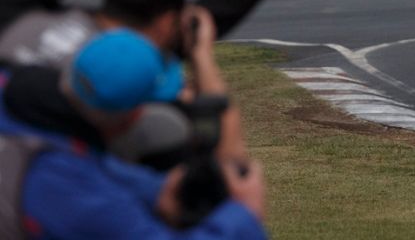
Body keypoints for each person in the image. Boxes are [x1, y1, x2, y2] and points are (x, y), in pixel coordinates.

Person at [0, 29, 268, 239]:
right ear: (132, 117)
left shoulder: (19, 94)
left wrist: (155, 189)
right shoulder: (77, 189)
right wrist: (242, 215)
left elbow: (97, 164)